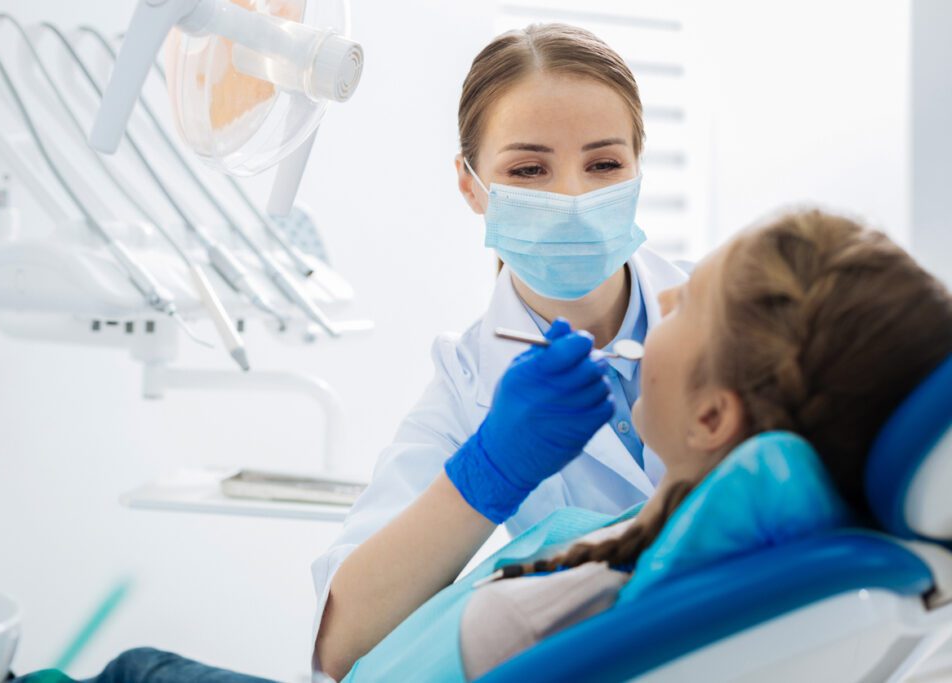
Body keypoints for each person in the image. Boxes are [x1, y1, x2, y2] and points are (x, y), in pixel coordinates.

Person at [339, 210, 952, 681]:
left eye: (684, 304)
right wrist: (484, 469)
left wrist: (494, 469)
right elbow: (340, 628)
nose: (665, 297)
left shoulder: (532, 615)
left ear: (711, 416)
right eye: (530, 168)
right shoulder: (829, 547)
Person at [314, 23, 688, 679]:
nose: (572, 196)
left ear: (637, 167)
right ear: (470, 184)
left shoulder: (727, 314)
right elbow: (343, 642)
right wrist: (488, 471)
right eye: (528, 169)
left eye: (604, 163)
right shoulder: (467, 383)